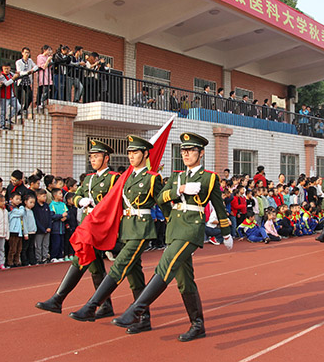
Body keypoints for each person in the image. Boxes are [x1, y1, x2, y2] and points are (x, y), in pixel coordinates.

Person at [112, 132, 233, 342]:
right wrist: (180, 190)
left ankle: (136, 310)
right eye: (183, 150)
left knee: (166, 263)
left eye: (191, 150)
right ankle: (197, 325)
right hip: (174, 228)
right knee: (185, 281)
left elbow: (219, 206)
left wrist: (226, 232)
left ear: (201, 153)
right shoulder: (177, 177)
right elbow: (160, 198)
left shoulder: (209, 177)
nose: (186, 154)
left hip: (191, 228)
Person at [71, 136, 162, 334]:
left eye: (135, 152)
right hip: (126, 229)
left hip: (142, 229)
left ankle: (92, 305)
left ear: (145, 154)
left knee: (120, 265)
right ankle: (144, 318)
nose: (131, 156)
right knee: (134, 274)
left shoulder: (153, 178)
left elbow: (164, 204)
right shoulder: (125, 178)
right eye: (129, 153)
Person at [36, 140, 119, 315]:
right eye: (91, 157)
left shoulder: (113, 178)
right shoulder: (89, 179)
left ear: (106, 158)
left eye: (96, 156)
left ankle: (58, 299)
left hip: (101, 226)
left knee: (81, 258)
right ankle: (105, 305)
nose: (92, 160)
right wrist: (79, 200)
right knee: (95, 266)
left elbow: (116, 201)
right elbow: (72, 196)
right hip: (87, 224)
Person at [0, 64, 20, 130]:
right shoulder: (1, 76)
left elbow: (17, 77)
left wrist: (18, 75)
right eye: (5, 69)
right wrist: (13, 78)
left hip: (12, 95)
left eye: (7, 68)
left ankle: (9, 118)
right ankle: (2, 124)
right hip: (4, 96)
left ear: (10, 68)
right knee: (3, 110)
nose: (6, 70)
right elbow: (6, 83)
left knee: (18, 106)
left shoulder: (11, 74)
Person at [33, 188, 51, 264]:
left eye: (45, 196)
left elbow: (49, 217)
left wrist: (49, 227)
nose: (45, 198)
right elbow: (36, 220)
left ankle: (45, 257)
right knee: (38, 245)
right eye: (43, 196)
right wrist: (42, 229)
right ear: (38, 197)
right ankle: (38, 258)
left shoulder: (46, 206)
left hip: (47, 229)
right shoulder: (35, 207)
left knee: (46, 244)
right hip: (39, 230)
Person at [15, 47, 37, 111]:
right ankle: (18, 110)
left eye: (28, 53)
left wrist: (32, 70)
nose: (27, 54)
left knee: (30, 95)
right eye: (25, 53)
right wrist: (27, 72)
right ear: (22, 53)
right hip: (20, 80)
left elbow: (36, 66)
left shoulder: (30, 61)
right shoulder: (18, 62)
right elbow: (19, 72)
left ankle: (24, 109)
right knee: (19, 96)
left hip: (27, 80)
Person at [7, 192, 24, 267]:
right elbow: (21, 213)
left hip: (19, 231)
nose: (18, 201)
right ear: (11, 199)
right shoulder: (10, 208)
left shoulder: (17, 208)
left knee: (19, 248)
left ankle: (16, 261)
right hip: (13, 231)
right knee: (12, 248)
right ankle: (10, 261)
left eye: (19, 199)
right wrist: (21, 207)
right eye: (16, 199)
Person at [21, 194, 37, 266]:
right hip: (27, 232)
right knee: (25, 248)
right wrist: (25, 233)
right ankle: (25, 261)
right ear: (25, 202)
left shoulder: (31, 211)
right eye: (30, 202)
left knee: (31, 247)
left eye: (33, 203)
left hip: (32, 232)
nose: (32, 204)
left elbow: (33, 221)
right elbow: (24, 223)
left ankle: (32, 260)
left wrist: (35, 229)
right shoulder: (24, 211)